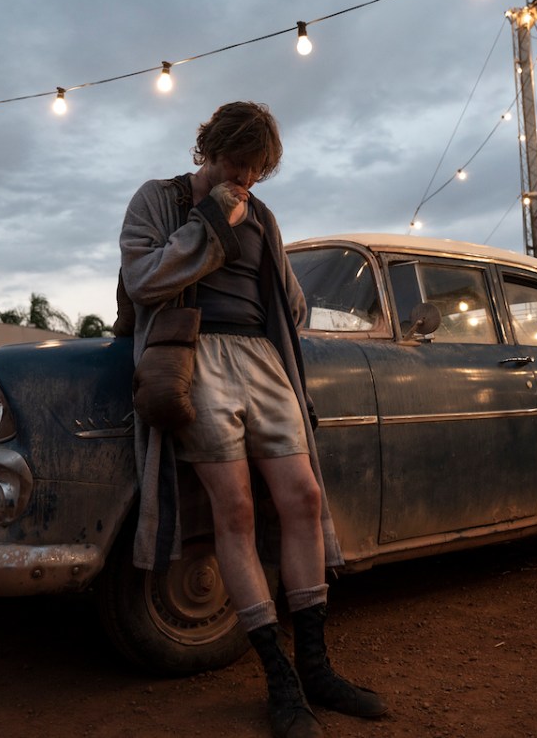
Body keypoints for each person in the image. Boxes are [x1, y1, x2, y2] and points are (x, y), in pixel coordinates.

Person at [118, 102, 385, 737]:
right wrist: (212, 223)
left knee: (302, 495)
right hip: (197, 357)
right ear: (207, 149)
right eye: (236, 163)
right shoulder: (159, 200)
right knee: (232, 510)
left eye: (257, 169)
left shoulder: (263, 213)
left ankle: (316, 665)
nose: (246, 178)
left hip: (264, 360)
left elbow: (289, 301)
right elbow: (142, 279)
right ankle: (280, 681)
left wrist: (254, 241)